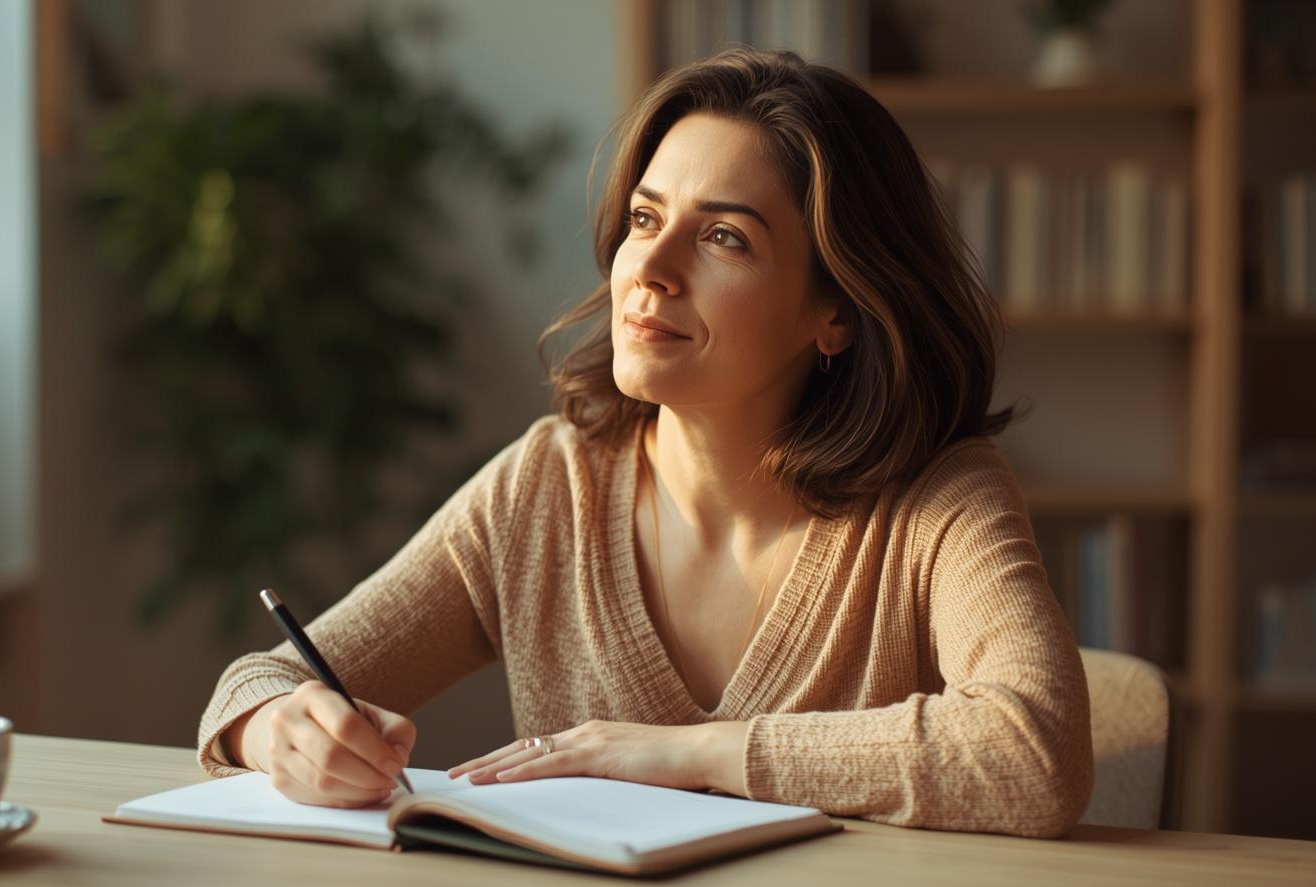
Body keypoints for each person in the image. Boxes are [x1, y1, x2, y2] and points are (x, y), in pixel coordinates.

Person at [199, 48, 1093, 839]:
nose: (650, 270)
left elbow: (1034, 751)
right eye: (643, 218)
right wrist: (279, 729)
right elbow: (257, 683)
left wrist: (693, 755)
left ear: (836, 312)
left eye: (723, 237)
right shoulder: (549, 485)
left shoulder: (939, 498)